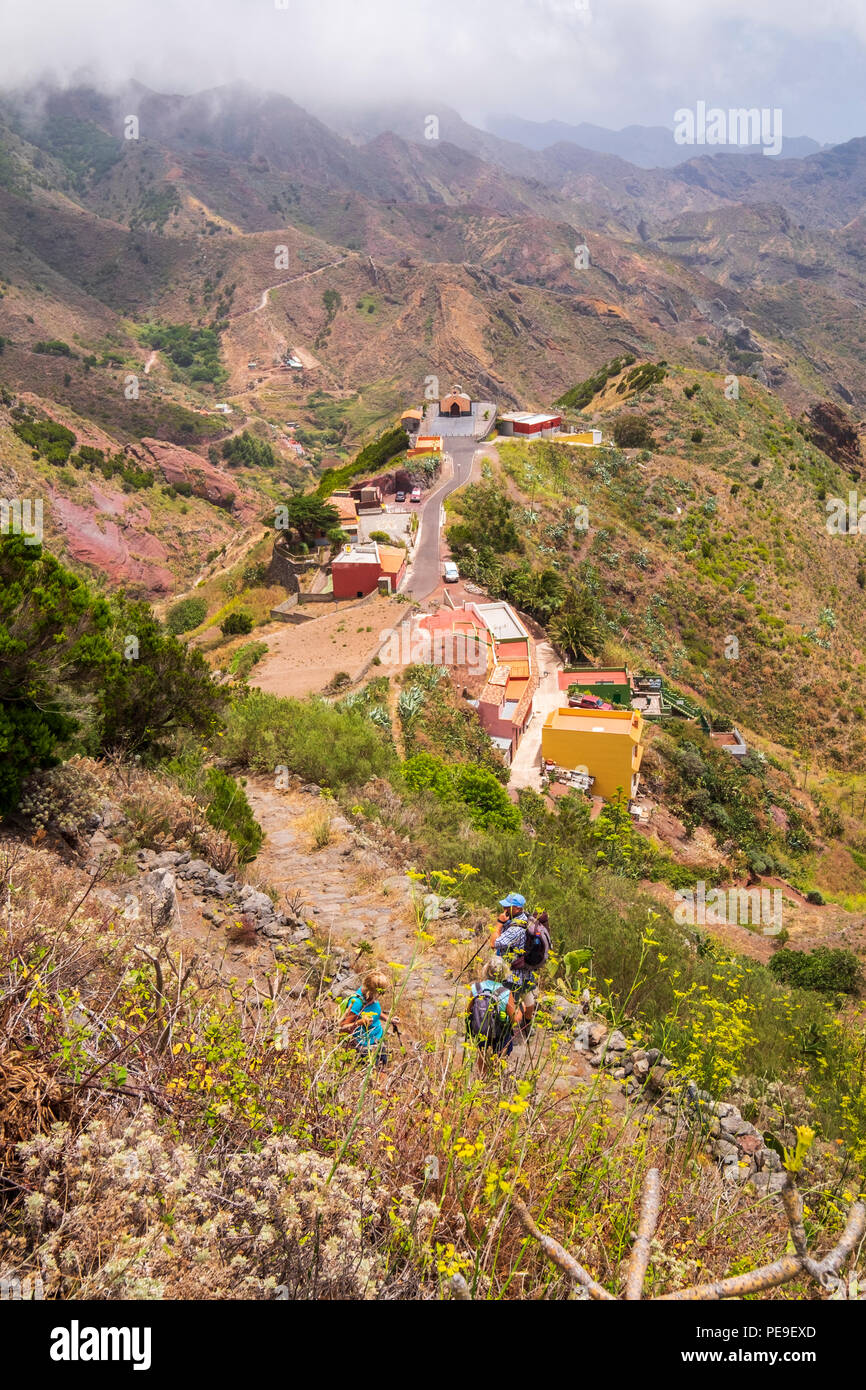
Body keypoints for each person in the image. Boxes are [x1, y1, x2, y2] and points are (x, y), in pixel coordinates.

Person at [490, 894, 548, 1030]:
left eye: (507, 906)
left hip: (513, 974)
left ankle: (507, 1032)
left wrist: (499, 924)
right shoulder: (526, 919)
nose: (503, 908)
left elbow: (493, 944)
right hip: (527, 969)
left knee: (509, 1004)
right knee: (529, 999)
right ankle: (527, 1027)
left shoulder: (516, 929)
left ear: (516, 908)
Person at [466, 955, 522, 1070]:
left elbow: (467, 1012)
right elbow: (514, 1019)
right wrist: (521, 1010)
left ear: (486, 970)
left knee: (482, 1056)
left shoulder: (475, 987)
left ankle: (481, 1080)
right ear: (504, 973)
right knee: (499, 1061)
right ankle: (495, 1080)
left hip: (481, 1030)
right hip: (500, 1034)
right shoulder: (506, 992)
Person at [339, 970, 391, 1067]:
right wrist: (360, 1022)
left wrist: (389, 1019)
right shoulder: (357, 1003)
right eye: (379, 992)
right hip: (365, 1046)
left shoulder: (371, 997)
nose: (380, 995)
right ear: (370, 991)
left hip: (378, 1038)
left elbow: (374, 1011)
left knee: (383, 1067)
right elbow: (343, 1027)